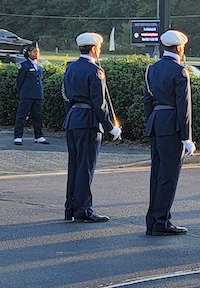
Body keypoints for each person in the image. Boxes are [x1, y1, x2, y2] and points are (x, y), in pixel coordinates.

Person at [62, 32, 122, 222]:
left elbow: (65, 97)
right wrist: (111, 127)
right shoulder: (95, 71)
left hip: (73, 118)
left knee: (74, 165)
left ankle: (70, 208)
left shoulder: (70, 68)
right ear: (94, 49)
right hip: (88, 121)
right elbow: (99, 104)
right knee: (85, 167)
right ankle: (83, 210)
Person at [143, 30, 195, 236]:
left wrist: (152, 122)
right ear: (179, 48)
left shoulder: (151, 69)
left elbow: (148, 101)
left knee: (157, 174)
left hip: (156, 122)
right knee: (169, 176)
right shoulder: (180, 71)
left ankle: (153, 220)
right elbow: (184, 108)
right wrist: (186, 137)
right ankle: (161, 221)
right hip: (171, 125)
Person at [14, 41, 48, 145]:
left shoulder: (40, 65)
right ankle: (18, 136)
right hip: (27, 94)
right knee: (22, 115)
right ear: (29, 53)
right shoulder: (24, 65)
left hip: (37, 94)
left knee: (37, 116)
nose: (36, 54)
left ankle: (39, 135)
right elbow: (19, 81)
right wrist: (22, 93)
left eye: (37, 52)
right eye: (34, 51)